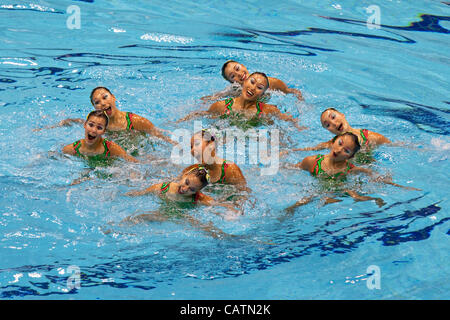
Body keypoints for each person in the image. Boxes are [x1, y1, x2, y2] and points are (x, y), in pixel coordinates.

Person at [284, 132, 419, 213]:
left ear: (349, 157)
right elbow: (295, 167)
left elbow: (368, 172)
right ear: (333, 141)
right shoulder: (312, 161)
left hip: (341, 189)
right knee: (300, 203)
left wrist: (384, 179)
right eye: (340, 143)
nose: (339, 150)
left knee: (356, 196)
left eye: (346, 151)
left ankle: (377, 199)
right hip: (321, 189)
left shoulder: (349, 168)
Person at [38, 87, 175, 145]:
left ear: (113, 97)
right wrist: (55, 125)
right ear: (94, 108)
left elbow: (160, 136)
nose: (103, 103)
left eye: (105, 97)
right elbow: (78, 122)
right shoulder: (98, 124)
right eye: (97, 102)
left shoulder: (135, 121)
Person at [178, 72, 306, 131]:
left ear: (263, 93)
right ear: (244, 82)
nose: (253, 88)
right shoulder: (221, 105)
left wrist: (298, 125)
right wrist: (181, 121)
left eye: (259, 88)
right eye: (252, 82)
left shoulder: (268, 109)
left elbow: (286, 120)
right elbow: (203, 114)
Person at [200, 60, 303, 101]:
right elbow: (214, 97)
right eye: (233, 76)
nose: (240, 74)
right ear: (232, 82)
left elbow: (292, 91)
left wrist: (301, 104)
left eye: (237, 68)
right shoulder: (235, 91)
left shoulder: (271, 82)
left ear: (243, 65)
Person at [62, 110, 138, 163]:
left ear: (104, 131)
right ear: (85, 125)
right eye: (91, 125)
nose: (94, 130)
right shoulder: (73, 148)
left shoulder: (110, 148)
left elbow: (131, 161)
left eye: (99, 128)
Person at [181, 129, 247, 188]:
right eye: (191, 147)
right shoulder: (192, 171)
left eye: (197, 144)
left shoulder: (230, 170)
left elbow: (244, 193)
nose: (192, 150)